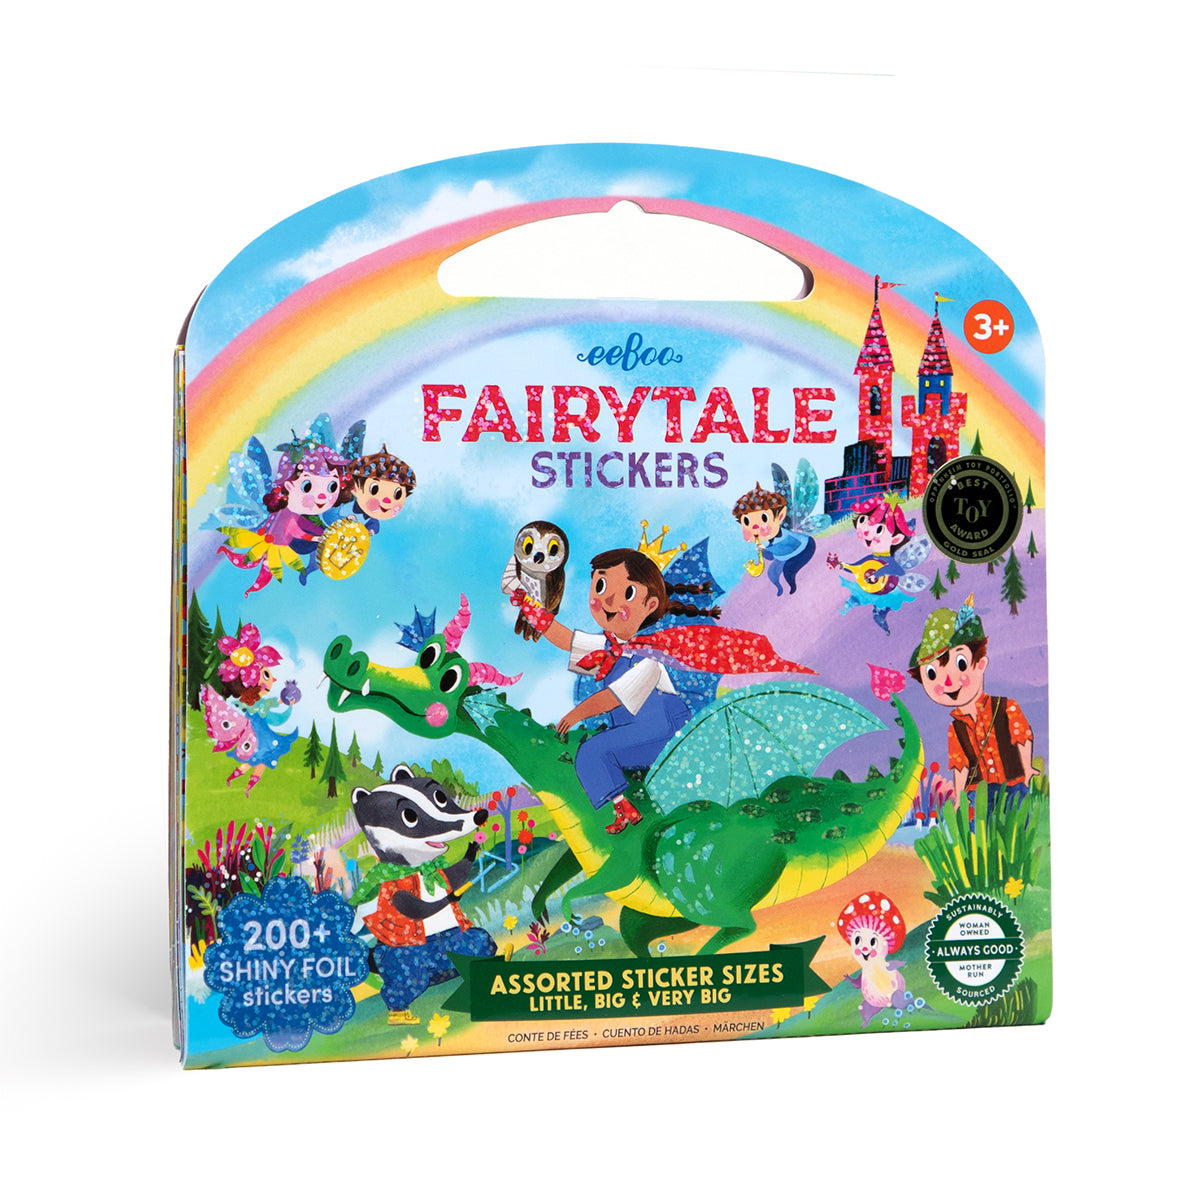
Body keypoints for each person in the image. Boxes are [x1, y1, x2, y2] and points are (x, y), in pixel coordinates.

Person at [509, 547, 811, 834]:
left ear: (650, 605)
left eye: (627, 593)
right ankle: (625, 808)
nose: (608, 599)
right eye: (600, 586)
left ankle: (642, 803)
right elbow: (565, 639)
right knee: (594, 752)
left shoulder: (648, 659)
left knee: (592, 751)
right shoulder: (608, 647)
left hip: (667, 735)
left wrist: (576, 714)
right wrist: (527, 606)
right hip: (637, 733)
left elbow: (612, 697)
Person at [908, 595, 1038, 817]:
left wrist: (1027, 769)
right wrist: (959, 797)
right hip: (978, 792)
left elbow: (1023, 738)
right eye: (932, 673)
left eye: (960, 664)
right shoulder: (955, 728)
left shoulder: (1006, 707)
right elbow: (961, 766)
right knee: (980, 832)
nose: (947, 681)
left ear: (980, 664)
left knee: (1015, 827)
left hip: (1014, 784)